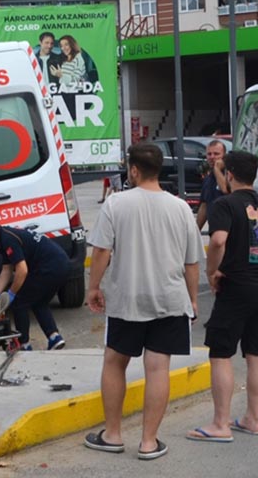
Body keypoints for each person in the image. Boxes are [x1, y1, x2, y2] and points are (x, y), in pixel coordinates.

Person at [84, 142, 203, 461]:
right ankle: (149, 442)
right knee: (158, 367)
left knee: (114, 361)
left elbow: (101, 252)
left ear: (134, 170)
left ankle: (112, 435)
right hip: (170, 298)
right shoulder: (180, 207)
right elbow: (192, 263)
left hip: (127, 299)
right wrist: (192, 300)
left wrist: (93, 287)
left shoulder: (116, 204)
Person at [186, 151, 258, 443]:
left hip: (237, 286)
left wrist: (212, 271)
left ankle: (220, 423)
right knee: (257, 353)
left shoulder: (224, 205)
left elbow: (217, 240)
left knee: (220, 352)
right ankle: (253, 419)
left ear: (228, 175)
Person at [0, 216, 73, 350]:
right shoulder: (4, 238)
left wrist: (11, 293)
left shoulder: (7, 239)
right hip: (61, 264)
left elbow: (22, 270)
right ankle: (54, 337)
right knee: (38, 301)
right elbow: (7, 269)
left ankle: (23, 343)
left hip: (49, 267)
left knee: (19, 302)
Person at [195, 140, 230, 231]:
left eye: (216, 154)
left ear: (224, 156)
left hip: (228, 230)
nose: (212, 157)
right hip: (214, 229)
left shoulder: (230, 175)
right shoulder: (208, 179)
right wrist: (196, 231)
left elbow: (225, 189)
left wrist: (217, 169)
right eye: (209, 154)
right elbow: (204, 205)